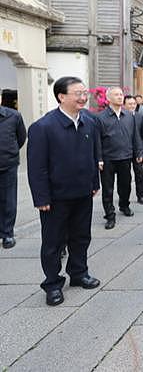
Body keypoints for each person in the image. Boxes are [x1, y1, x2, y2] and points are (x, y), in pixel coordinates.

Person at [27, 77, 101, 306]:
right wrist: (41, 197)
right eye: (77, 93)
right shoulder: (43, 127)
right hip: (55, 198)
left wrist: (94, 182)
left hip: (82, 193)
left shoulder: (89, 121)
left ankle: (79, 273)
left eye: (84, 92)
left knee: (81, 237)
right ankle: (52, 283)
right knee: (53, 242)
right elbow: (36, 166)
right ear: (61, 96)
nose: (83, 97)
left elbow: (92, 156)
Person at [95, 87, 143, 229]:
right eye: (116, 95)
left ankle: (124, 205)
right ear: (108, 98)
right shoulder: (100, 117)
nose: (120, 97)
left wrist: (138, 152)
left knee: (126, 184)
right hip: (108, 158)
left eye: (121, 94)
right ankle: (110, 215)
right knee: (108, 188)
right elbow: (97, 140)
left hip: (125, 156)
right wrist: (99, 158)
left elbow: (135, 136)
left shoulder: (129, 116)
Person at [0, 89, 27, 249]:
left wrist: (10, 151)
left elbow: (21, 137)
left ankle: (7, 233)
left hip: (7, 164)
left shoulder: (13, 116)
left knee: (8, 199)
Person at [124, 95, 143, 205]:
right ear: (124, 105)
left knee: (139, 173)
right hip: (125, 151)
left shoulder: (140, 117)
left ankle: (141, 195)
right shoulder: (121, 117)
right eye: (130, 104)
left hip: (138, 150)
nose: (132, 106)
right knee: (125, 176)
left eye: (134, 104)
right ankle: (125, 198)